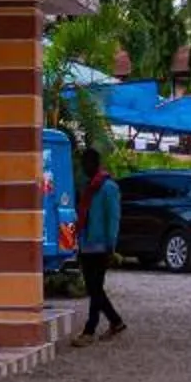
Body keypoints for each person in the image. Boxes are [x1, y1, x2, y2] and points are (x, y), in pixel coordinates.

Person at [72, 148, 126, 345]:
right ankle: (115, 321)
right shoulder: (88, 187)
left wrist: (111, 244)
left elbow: (113, 218)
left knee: (95, 288)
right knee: (93, 288)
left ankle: (90, 330)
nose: (83, 168)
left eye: (86, 163)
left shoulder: (108, 188)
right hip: (86, 243)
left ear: (94, 164)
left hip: (101, 245)